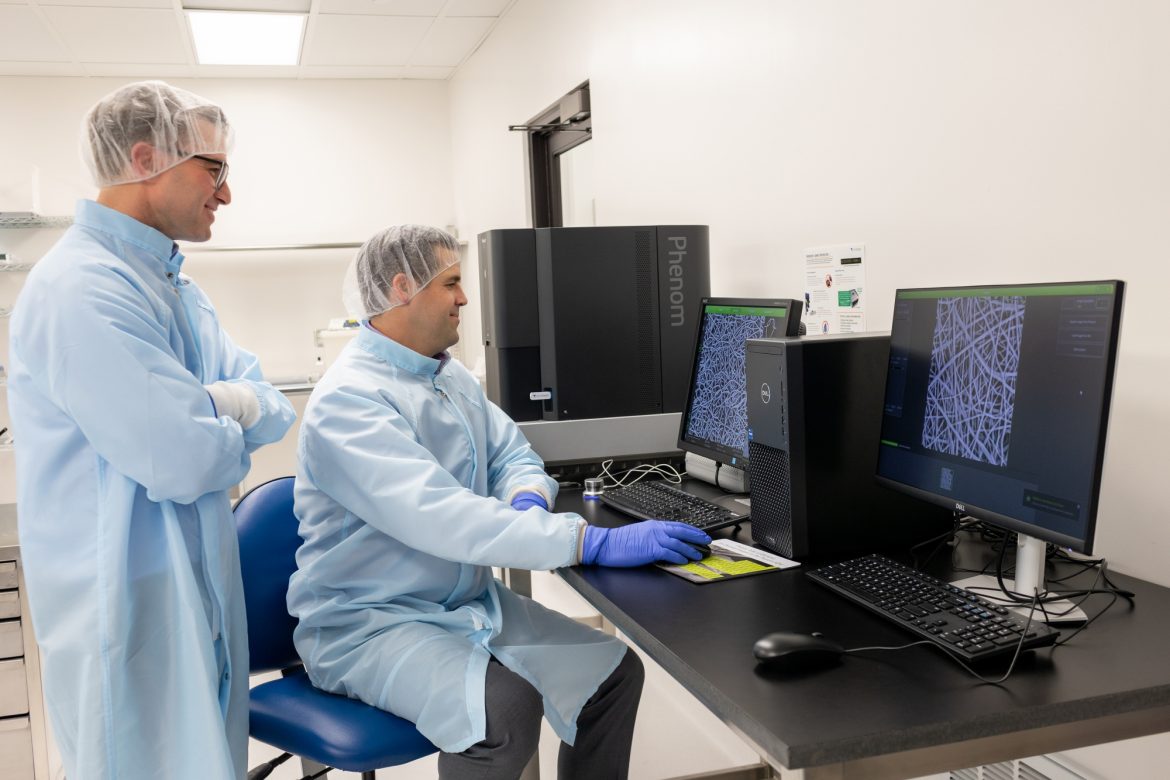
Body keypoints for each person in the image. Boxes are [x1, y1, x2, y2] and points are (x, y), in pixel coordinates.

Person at [288, 225, 710, 778]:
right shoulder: (348, 400)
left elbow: (511, 452)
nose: (464, 298)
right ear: (401, 288)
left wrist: (526, 497)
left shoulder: (446, 374)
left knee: (612, 677)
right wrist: (587, 540)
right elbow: (442, 516)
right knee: (504, 713)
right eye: (451, 283)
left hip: (463, 604)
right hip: (371, 623)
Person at [7, 81, 296, 780]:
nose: (226, 194)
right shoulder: (82, 287)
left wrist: (213, 403)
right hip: (127, 607)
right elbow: (188, 460)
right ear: (146, 159)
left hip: (196, 591)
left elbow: (274, 407)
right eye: (214, 169)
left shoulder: (175, 288)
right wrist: (223, 415)